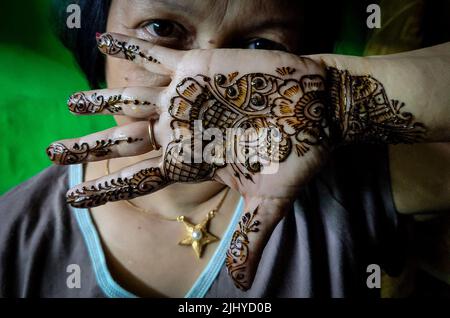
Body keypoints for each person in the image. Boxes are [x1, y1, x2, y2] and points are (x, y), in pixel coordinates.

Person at [0, 0, 448, 298]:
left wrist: (334, 98)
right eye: (162, 28)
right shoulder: (15, 236)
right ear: (97, 34)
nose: (205, 79)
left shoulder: (347, 181)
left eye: (258, 46)